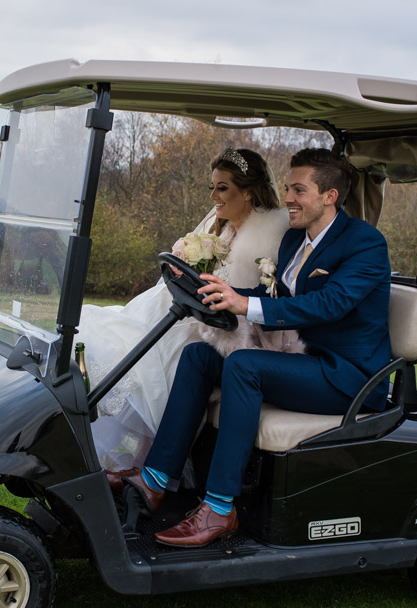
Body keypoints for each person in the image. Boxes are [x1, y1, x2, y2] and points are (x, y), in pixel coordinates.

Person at [113, 148, 392, 547]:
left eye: (299, 190)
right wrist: (224, 293)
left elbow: (330, 304)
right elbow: (274, 294)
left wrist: (247, 305)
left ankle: (219, 509)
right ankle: (155, 480)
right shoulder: (297, 238)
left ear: (329, 196)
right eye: (287, 188)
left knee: (244, 365)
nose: (288, 198)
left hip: (344, 374)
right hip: (297, 358)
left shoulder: (364, 243)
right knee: (199, 356)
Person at [79, 147, 288, 471]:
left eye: (222, 188)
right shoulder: (224, 227)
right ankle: (131, 468)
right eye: (212, 187)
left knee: (160, 353)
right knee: (111, 333)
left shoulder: (267, 236)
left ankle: (148, 470)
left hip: (223, 328)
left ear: (247, 192)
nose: (214, 196)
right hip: (192, 311)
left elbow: (248, 298)